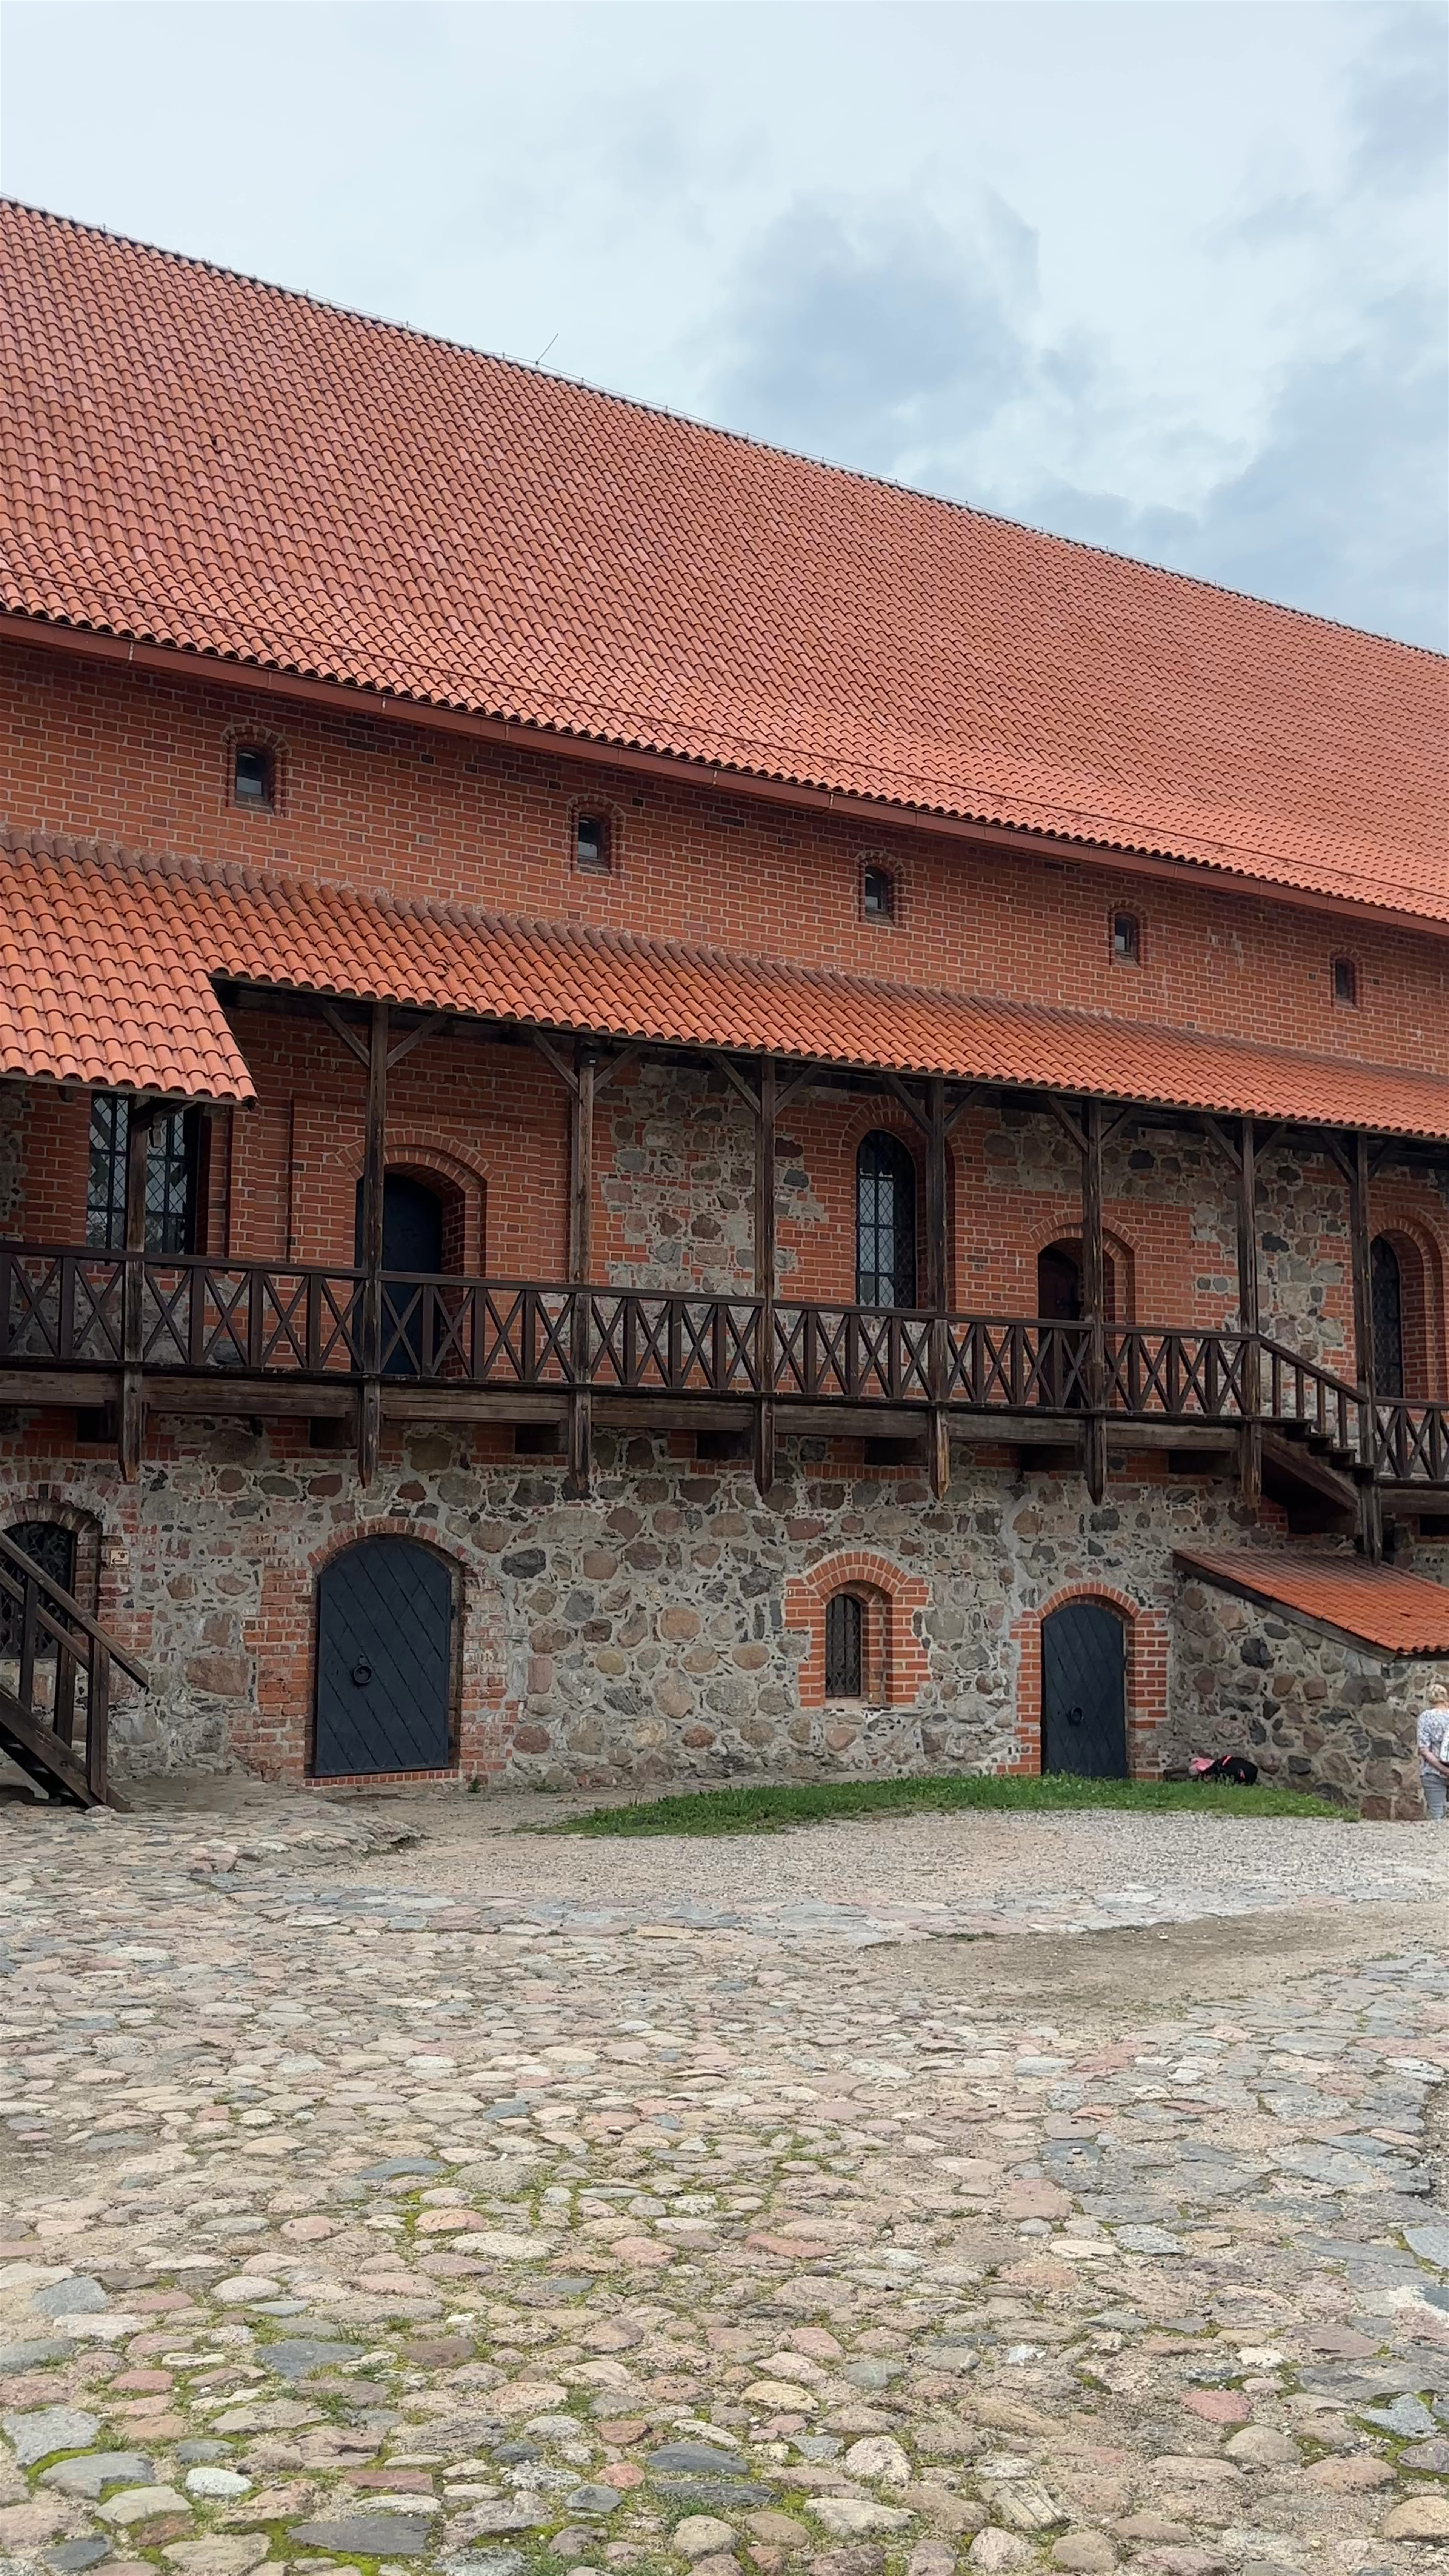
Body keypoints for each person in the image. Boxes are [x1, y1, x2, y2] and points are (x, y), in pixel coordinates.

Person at [1418, 1690, 1449, 1820]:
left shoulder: (1425, 1717)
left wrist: (1445, 1770)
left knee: (1437, 1818)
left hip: (1432, 1772)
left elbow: (1424, 1750)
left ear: (1430, 1700)